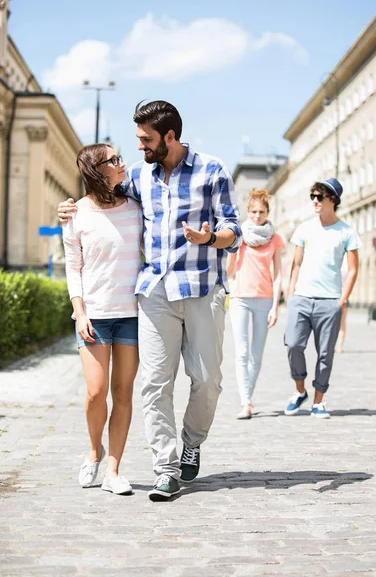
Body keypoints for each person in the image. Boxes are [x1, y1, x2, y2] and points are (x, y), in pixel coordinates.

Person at [58, 101, 241, 501]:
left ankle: (192, 441)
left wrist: (209, 237)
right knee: (155, 384)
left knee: (208, 380)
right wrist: (68, 208)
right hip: (154, 292)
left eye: (145, 139)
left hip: (202, 286)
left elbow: (234, 230)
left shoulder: (212, 170)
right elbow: (99, 192)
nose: (139, 147)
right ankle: (166, 467)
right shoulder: (139, 177)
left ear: (169, 137)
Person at [62, 144, 142, 495]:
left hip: (132, 315)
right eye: (114, 160)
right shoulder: (75, 214)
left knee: (122, 392)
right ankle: (95, 450)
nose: (121, 163)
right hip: (93, 315)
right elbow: (72, 266)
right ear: (97, 170)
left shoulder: (137, 210)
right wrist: (79, 312)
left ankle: (113, 471)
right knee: (96, 393)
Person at [284, 178, 360, 419]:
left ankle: (318, 401)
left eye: (320, 197)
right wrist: (291, 293)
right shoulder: (304, 228)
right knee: (294, 344)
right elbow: (296, 263)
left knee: (325, 353)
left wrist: (342, 299)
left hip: (330, 301)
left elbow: (354, 269)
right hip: (302, 298)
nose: (315, 201)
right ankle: (299, 390)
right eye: (313, 197)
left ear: (333, 200)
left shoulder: (346, 232)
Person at [227, 189, 284, 419]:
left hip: (264, 299)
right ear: (247, 212)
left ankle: (248, 397)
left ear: (267, 212)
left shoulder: (275, 239)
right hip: (240, 297)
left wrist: (275, 306)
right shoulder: (239, 235)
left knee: (256, 354)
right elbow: (230, 268)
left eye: (261, 211)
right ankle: (246, 402)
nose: (257, 215)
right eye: (253, 212)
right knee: (241, 352)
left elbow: (278, 274)